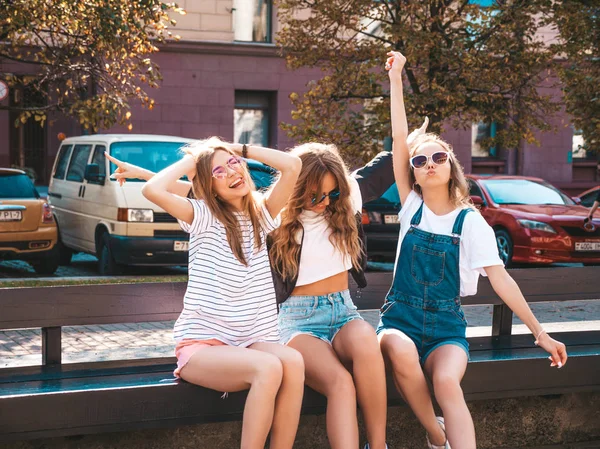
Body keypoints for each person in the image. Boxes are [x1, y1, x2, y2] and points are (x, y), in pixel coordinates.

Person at [377, 51, 568, 449]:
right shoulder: (411, 207)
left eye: (438, 157)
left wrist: (540, 333)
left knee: (447, 381)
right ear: (412, 170)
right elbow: (398, 138)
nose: (429, 163)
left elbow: (501, 279)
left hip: (447, 328)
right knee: (397, 349)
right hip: (402, 320)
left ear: (451, 166)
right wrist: (396, 79)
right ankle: (436, 435)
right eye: (420, 159)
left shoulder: (471, 222)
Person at [112, 138, 305, 449]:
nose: (231, 172)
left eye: (233, 165)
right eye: (218, 172)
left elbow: (293, 165)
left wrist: (233, 148)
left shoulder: (262, 214)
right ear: (207, 187)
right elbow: (154, 191)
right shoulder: (201, 215)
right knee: (268, 367)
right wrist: (195, 158)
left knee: (293, 362)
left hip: (251, 341)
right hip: (202, 348)